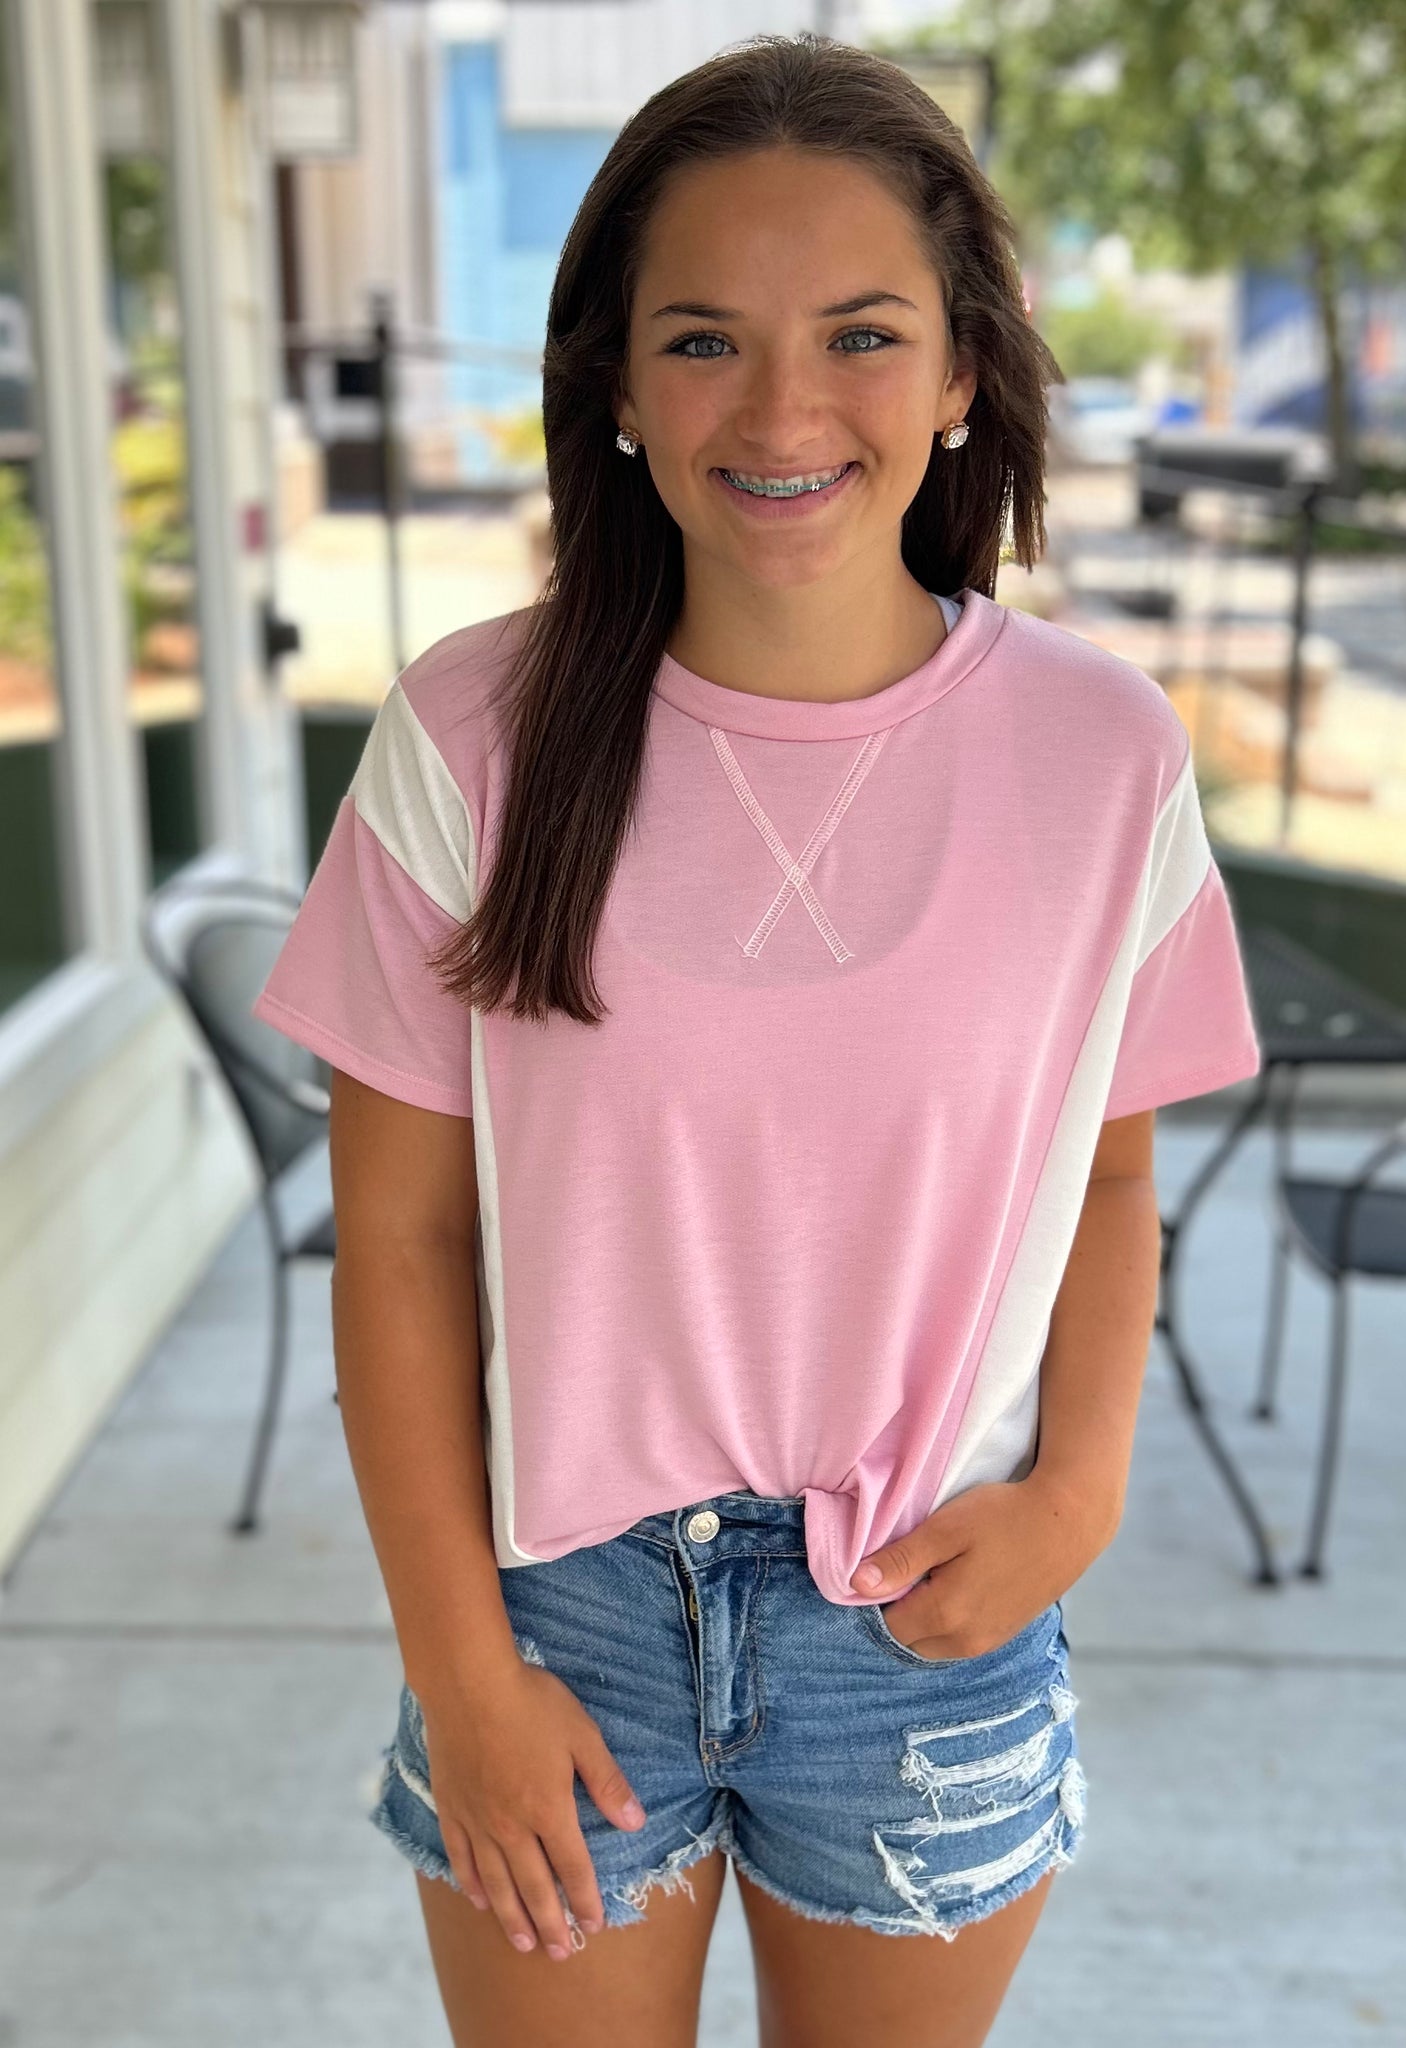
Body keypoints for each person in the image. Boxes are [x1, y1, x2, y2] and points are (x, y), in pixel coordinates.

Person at [250, 32, 1262, 2048]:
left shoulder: (1099, 756)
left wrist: (1077, 1497)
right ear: (616, 386)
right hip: (560, 1610)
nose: (785, 410)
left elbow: (1111, 1176)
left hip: (928, 1613)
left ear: (962, 371)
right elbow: (403, 1244)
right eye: (703, 340)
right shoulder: (472, 736)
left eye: (863, 334)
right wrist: (461, 1669)